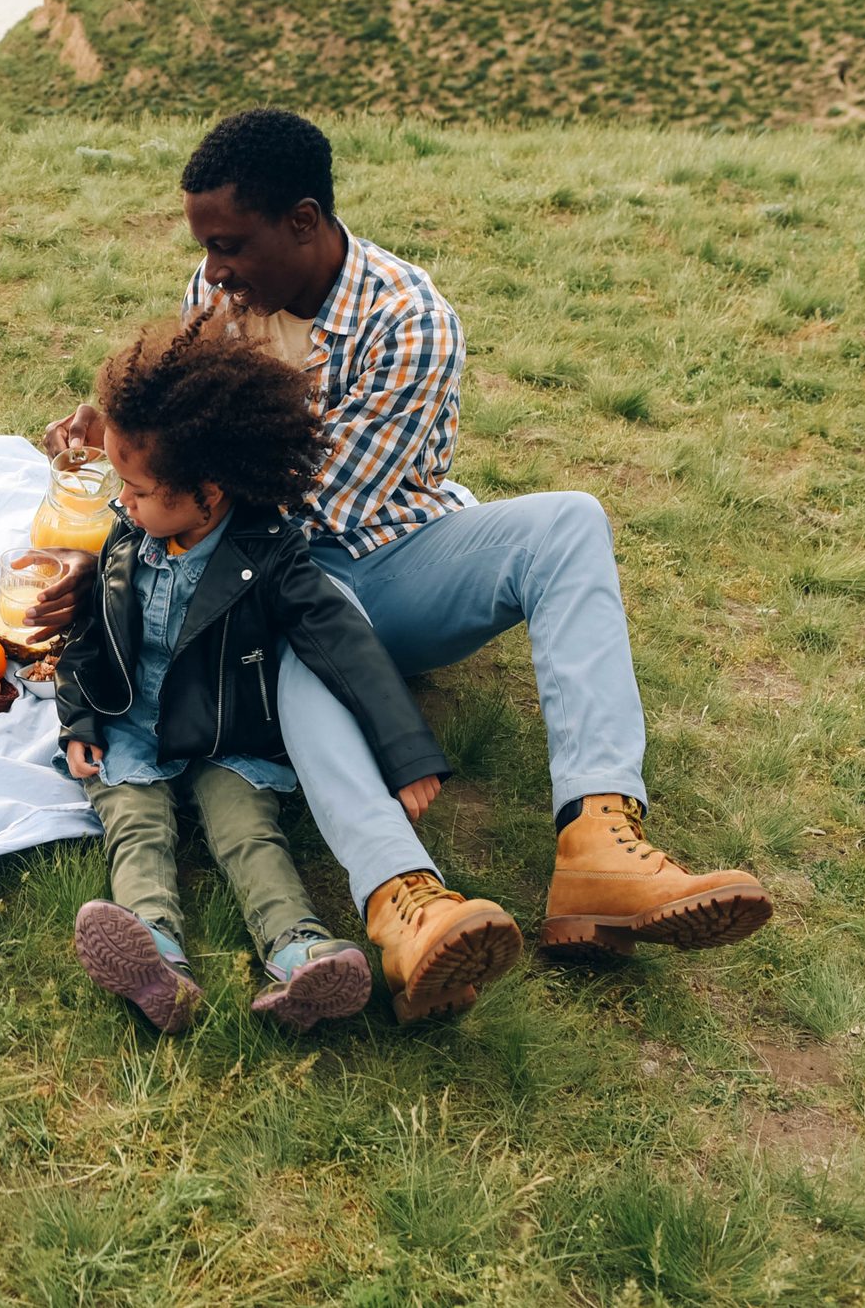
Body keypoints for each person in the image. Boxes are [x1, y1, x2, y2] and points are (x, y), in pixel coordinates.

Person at [39, 107, 771, 980]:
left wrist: (165, 477)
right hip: (266, 577)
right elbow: (216, 481)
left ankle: (599, 841)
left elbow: (306, 505)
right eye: (205, 247)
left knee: (569, 519)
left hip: (381, 557)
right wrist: (131, 438)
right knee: (298, 611)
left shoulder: (408, 321)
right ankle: (403, 900)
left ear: (302, 221)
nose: (212, 271)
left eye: (230, 244)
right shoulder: (219, 296)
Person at [59, 316, 517, 1031]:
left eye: (138, 489)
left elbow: (345, 646)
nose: (123, 501)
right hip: (136, 728)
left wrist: (404, 750)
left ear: (209, 493)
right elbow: (91, 632)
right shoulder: (129, 534)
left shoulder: (268, 553)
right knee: (135, 826)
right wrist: (81, 717)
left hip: (228, 732)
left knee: (247, 836)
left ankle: (301, 954)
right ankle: (154, 956)